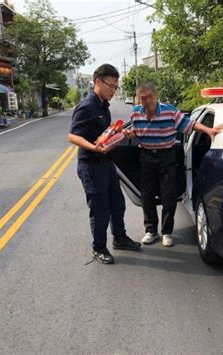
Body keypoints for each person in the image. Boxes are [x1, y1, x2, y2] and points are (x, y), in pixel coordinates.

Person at [125, 82, 223, 247]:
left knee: (168, 196)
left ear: (156, 96)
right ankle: (151, 231)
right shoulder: (135, 113)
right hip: (146, 157)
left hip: (166, 156)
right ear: (138, 99)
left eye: (149, 97)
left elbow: (190, 125)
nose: (146, 101)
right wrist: (130, 134)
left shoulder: (169, 111)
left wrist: (208, 130)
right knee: (147, 196)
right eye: (142, 98)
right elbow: (136, 132)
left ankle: (167, 232)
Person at [68, 64, 141, 264]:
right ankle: (98, 247)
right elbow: (73, 136)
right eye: (112, 86)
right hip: (91, 165)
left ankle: (119, 238)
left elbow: (103, 131)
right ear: (98, 82)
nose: (114, 90)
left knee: (117, 204)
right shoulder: (86, 106)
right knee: (100, 209)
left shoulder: (103, 105)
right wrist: (93, 148)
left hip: (106, 162)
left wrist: (120, 133)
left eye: (116, 87)